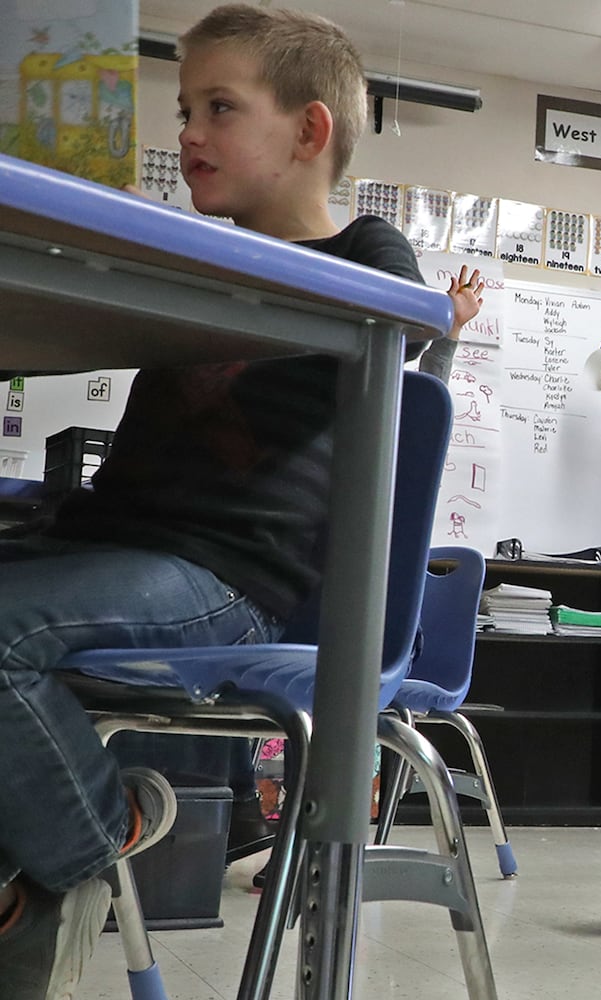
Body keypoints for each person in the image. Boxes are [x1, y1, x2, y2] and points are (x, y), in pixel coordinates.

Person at [0, 6, 484, 995]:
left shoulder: (364, 253)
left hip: (225, 574)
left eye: (221, 108)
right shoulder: (183, 254)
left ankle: (91, 844)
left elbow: (410, 329)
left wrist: (441, 324)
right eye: (185, 109)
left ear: (310, 132)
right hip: (113, 542)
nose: (187, 134)